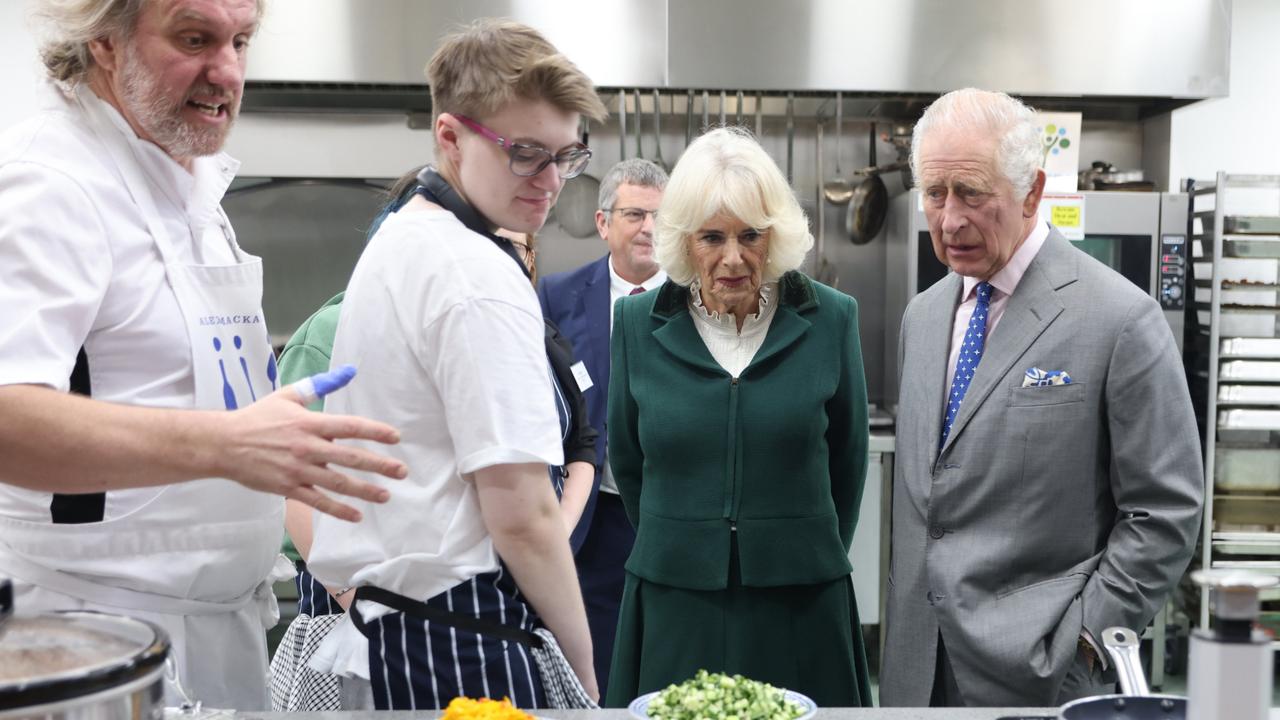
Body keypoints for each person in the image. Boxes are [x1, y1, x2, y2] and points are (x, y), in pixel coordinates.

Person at [0, 0, 406, 710]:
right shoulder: (53, 184)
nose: (225, 72)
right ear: (104, 40)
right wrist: (228, 445)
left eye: (240, 42)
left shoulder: (184, 184)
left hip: (216, 627)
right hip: (94, 639)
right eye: (194, 39)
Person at [305, 19, 607, 710]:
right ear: (450, 136)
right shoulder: (473, 274)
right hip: (460, 637)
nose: (551, 181)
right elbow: (523, 514)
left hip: (403, 627)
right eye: (527, 153)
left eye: (568, 156)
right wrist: (585, 680)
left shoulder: (407, 238)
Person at [879, 88, 1204, 708]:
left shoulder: (1120, 319)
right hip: (916, 669)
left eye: (972, 193)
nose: (948, 220)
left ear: (1031, 191)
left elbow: (1165, 511)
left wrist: (1085, 638)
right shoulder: (922, 317)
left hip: (1041, 673)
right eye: (934, 194)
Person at [605, 127, 873, 708]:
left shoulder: (831, 319)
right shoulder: (636, 326)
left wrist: (800, 546)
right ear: (683, 240)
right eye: (712, 237)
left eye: (751, 235)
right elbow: (628, 460)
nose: (733, 257)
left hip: (801, 600)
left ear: (775, 236)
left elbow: (849, 466)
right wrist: (684, 534)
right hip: (676, 596)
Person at [536, 157, 667, 696]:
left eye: (662, 216)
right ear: (603, 223)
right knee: (596, 673)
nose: (650, 229)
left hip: (667, 514)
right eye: (635, 214)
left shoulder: (697, 299)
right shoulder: (557, 296)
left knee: (664, 666)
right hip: (592, 518)